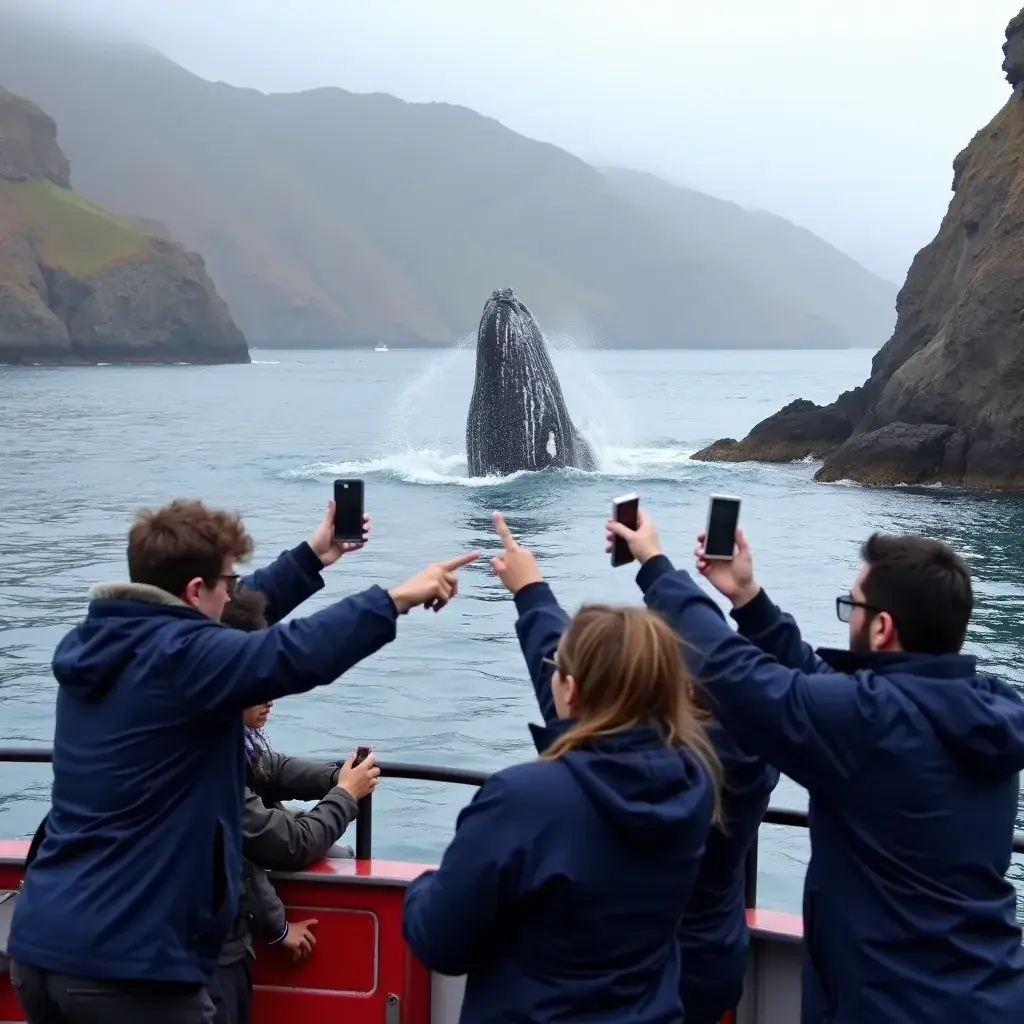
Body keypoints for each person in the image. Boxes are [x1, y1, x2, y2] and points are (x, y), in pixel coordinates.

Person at [9, 497, 477, 1024]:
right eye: (228, 581)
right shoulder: (182, 662)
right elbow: (291, 654)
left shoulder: (105, 643)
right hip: (126, 965)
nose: (236, 591)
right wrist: (396, 598)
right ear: (194, 592)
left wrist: (311, 556)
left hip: (41, 945)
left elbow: (234, 621)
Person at [606, 511, 1024, 1024]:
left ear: (882, 627)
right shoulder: (981, 711)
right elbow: (814, 680)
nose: (848, 616)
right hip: (987, 991)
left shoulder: (873, 723)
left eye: (852, 605)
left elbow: (731, 671)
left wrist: (654, 565)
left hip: (893, 1006)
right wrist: (748, 597)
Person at [403, 512, 721, 1024]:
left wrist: (424, 888)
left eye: (560, 671)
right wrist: (531, 594)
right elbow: (599, 718)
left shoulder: (525, 798)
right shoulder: (693, 782)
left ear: (569, 689)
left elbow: (441, 942)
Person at [210, 587, 381, 1024]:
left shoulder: (223, 736)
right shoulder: (209, 756)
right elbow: (286, 843)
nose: (270, 694)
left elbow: (269, 767)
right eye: (259, 681)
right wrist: (345, 795)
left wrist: (336, 777)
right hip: (206, 954)